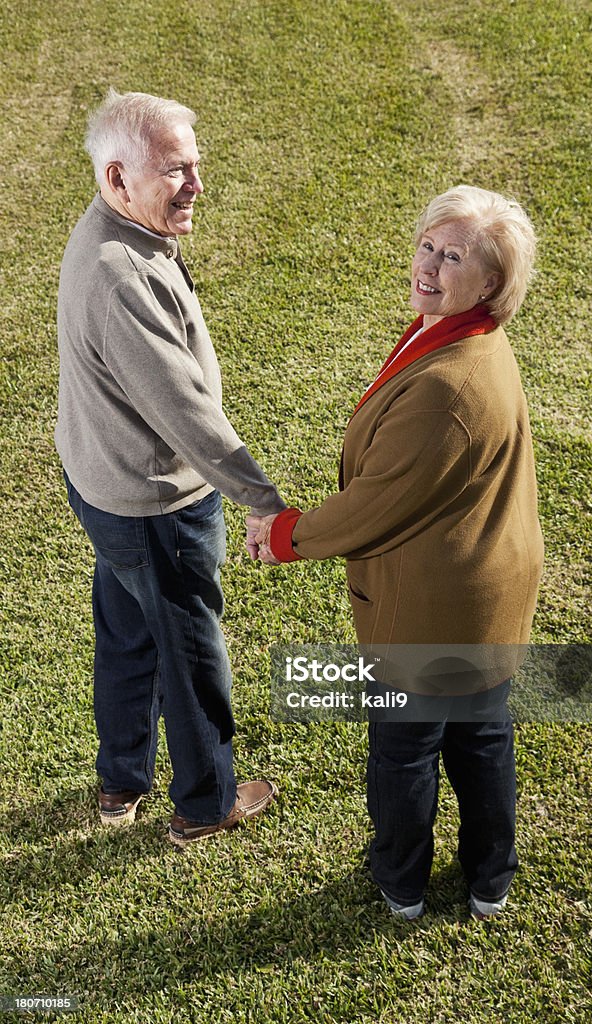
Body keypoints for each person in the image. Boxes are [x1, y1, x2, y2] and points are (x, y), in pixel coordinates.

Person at [248, 186, 543, 920]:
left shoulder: (448, 387)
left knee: (406, 748)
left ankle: (401, 884)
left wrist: (286, 535)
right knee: (480, 737)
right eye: (427, 246)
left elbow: (379, 500)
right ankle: (489, 880)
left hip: (434, 605)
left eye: (455, 257)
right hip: (485, 590)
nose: (431, 267)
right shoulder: (462, 336)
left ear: (492, 283)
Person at [55, 89, 282, 845]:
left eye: (196, 165)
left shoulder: (104, 233)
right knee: (188, 654)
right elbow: (184, 412)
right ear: (118, 179)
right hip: (154, 506)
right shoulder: (125, 275)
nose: (196, 185)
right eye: (174, 171)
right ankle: (207, 800)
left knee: (127, 635)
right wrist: (261, 498)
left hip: (103, 486)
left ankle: (121, 781)